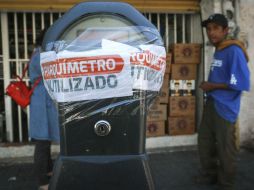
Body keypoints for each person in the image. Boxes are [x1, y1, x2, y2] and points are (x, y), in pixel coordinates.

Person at [196, 14, 250, 190]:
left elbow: (240, 83)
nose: (211, 32)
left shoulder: (233, 51)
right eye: (209, 29)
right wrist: (210, 87)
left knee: (226, 149)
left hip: (225, 108)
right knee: (205, 142)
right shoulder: (219, 49)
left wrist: (211, 85)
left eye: (216, 28)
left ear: (226, 30)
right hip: (212, 104)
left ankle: (226, 184)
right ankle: (210, 176)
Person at [29, 28, 60, 190]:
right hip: (41, 102)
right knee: (42, 141)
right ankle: (42, 181)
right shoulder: (40, 55)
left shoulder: (38, 52)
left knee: (45, 140)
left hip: (43, 101)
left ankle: (48, 170)